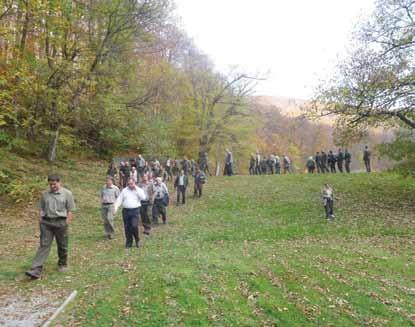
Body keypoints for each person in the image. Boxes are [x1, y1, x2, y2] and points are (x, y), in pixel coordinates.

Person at [26, 174, 76, 279]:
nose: (52, 186)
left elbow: (71, 210)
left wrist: (66, 222)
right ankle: (36, 269)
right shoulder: (45, 194)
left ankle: (62, 264)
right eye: (50, 184)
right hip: (46, 223)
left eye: (54, 184)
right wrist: (40, 218)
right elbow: (41, 208)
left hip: (60, 223)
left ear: (59, 182)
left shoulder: (67, 194)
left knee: (62, 245)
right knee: (44, 245)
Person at [114, 178, 146, 248]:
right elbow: (119, 199)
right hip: (126, 211)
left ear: (134, 183)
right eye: (129, 184)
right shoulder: (124, 190)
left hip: (135, 210)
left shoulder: (139, 190)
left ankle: (137, 240)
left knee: (134, 226)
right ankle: (129, 241)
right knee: (127, 227)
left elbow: (143, 197)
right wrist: (116, 208)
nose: (130, 185)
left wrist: (136, 190)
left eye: (131, 184)